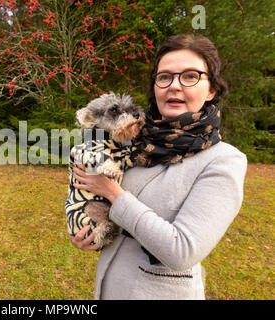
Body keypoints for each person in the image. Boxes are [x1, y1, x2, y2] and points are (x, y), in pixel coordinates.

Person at [69, 34, 247, 300]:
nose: (174, 86)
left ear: (211, 90)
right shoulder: (135, 143)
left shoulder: (224, 161)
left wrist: (112, 193)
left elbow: (182, 251)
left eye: (190, 76)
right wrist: (88, 233)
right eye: (164, 77)